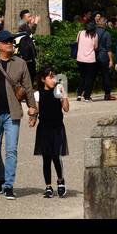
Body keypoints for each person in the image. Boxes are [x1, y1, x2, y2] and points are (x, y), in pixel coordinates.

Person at [0, 29, 37, 200]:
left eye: (11, 41)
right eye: (6, 42)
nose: (10, 44)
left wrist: (33, 111)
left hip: (13, 114)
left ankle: (9, 185)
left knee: (11, 150)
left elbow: (28, 88)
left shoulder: (20, 63)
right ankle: (1, 177)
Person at [33, 66, 69, 198]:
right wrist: (32, 118)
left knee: (56, 156)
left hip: (57, 127)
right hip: (44, 128)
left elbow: (66, 109)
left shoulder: (58, 91)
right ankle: (48, 186)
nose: (53, 79)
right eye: (50, 76)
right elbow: (35, 112)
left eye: (54, 76)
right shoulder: (37, 94)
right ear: (43, 79)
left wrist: (64, 94)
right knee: (46, 158)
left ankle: (60, 181)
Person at [94, 13, 116, 101]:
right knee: (105, 76)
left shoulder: (93, 32)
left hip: (93, 56)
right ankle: (107, 94)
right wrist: (111, 60)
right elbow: (109, 49)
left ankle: (86, 94)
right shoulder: (107, 34)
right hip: (103, 57)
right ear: (105, 24)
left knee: (92, 75)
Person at [74, 20, 98, 101]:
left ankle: (79, 94)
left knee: (82, 76)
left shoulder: (80, 33)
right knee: (89, 78)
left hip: (80, 58)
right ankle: (87, 95)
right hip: (90, 59)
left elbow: (77, 42)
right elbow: (95, 47)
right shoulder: (95, 35)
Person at [13, 11, 37, 85]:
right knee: (29, 81)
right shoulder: (28, 35)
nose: (30, 18)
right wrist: (35, 23)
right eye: (29, 17)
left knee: (22, 81)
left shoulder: (16, 36)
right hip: (29, 61)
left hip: (19, 61)